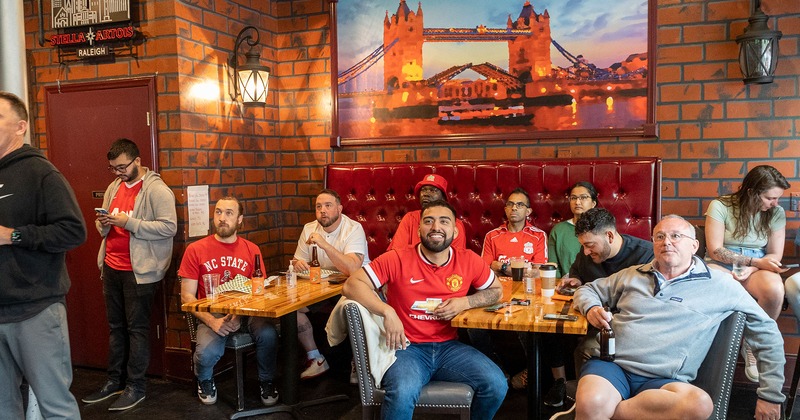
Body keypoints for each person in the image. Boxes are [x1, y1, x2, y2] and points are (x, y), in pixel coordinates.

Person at [551, 215, 785, 420]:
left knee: (700, 405)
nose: (667, 242)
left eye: (676, 236)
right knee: (593, 402)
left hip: (665, 380)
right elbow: (587, 289)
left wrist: (770, 395)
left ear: (694, 246)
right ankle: (592, 409)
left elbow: (766, 331)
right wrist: (591, 308)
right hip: (613, 366)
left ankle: (595, 412)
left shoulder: (721, 285)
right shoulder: (633, 274)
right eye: (659, 236)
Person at [343, 200, 508, 419]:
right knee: (403, 392)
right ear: (419, 228)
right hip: (406, 349)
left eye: (444, 221)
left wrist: (465, 302)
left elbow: (496, 291)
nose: (435, 227)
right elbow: (351, 284)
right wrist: (387, 311)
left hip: (449, 349)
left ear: (455, 230)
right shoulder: (397, 258)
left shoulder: (468, 259)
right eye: (428, 221)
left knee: (496, 384)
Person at [0, 91, 87, 419]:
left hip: (35, 311)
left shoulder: (41, 173)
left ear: (20, 126)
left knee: (55, 406)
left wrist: (14, 235)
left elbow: (73, 231)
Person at [523, 207, 654, 405]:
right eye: (583, 245)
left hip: (627, 326)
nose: (585, 251)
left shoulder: (645, 256)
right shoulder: (587, 254)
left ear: (609, 235)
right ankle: (577, 399)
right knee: (548, 330)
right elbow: (576, 273)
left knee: (585, 348)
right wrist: (574, 280)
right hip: (592, 320)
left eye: (590, 245)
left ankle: (590, 404)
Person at [83, 138, 177, 411]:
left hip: (141, 272)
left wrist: (129, 223)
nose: (118, 172)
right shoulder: (114, 187)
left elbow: (168, 227)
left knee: (136, 330)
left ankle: (136, 386)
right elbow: (108, 227)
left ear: (137, 160)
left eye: (122, 167)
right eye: (113, 168)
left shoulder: (157, 191)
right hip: (112, 266)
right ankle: (114, 381)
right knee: (115, 328)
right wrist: (104, 222)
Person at [179, 197, 279, 406]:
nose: (222, 218)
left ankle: (266, 381)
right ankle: (204, 380)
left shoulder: (252, 249)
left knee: (269, 333)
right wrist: (211, 321)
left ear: (240, 219)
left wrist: (239, 314)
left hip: (248, 311)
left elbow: (258, 291)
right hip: (212, 313)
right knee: (207, 352)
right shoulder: (195, 249)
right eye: (218, 212)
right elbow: (187, 296)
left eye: (229, 213)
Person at [704, 165, 789, 383]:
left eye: (777, 198)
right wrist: (750, 262)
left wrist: (754, 266)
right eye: (770, 198)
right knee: (716, 285)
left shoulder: (775, 213)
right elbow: (715, 249)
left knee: (775, 290)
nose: (775, 203)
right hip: (721, 262)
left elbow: (774, 254)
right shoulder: (720, 205)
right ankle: (711, 348)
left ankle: (753, 344)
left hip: (758, 264)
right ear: (751, 192)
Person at [292, 189, 370, 379]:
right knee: (291, 310)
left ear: (340, 209)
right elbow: (295, 261)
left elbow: (352, 269)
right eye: (318, 207)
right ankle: (315, 358)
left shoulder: (353, 228)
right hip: (321, 287)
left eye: (328, 206)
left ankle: (358, 363)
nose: (322, 211)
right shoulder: (309, 228)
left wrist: (324, 244)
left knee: (354, 306)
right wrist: (298, 264)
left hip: (356, 285)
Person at [388, 173, 468, 251]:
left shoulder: (455, 224)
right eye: (424, 190)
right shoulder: (410, 218)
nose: (426, 194)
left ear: (443, 198)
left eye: (433, 191)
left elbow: (456, 259)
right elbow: (397, 253)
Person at [481, 187, 548, 274]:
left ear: (528, 211)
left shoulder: (539, 236)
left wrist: (502, 267)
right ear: (505, 210)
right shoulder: (491, 236)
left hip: (527, 286)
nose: (514, 208)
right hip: (499, 286)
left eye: (519, 204)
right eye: (510, 204)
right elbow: (485, 272)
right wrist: (525, 270)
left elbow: (538, 273)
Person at [548, 182, 598, 278]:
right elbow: (553, 267)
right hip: (566, 286)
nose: (577, 202)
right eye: (573, 198)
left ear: (593, 203)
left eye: (583, 197)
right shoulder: (558, 230)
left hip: (595, 286)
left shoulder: (601, 229)